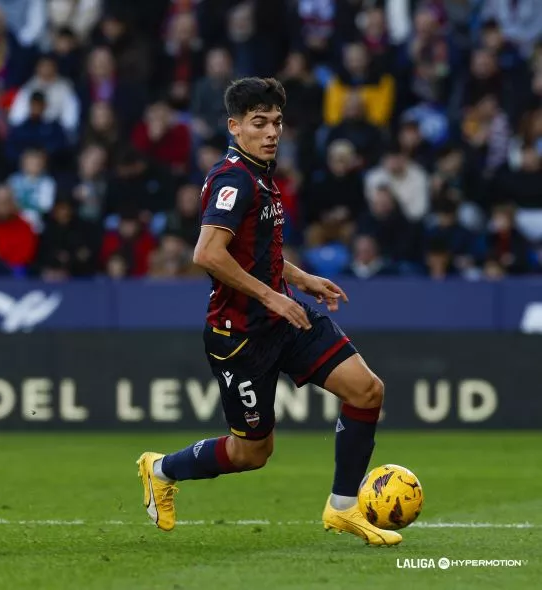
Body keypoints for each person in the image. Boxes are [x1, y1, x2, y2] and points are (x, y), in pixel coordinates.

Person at [136, 78, 400, 546]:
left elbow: (254, 250)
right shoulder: (233, 179)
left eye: (276, 122)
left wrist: (299, 281)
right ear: (235, 127)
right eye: (259, 123)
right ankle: (160, 469)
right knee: (251, 453)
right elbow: (208, 254)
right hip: (240, 337)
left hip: (285, 318)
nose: (272, 131)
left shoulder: (261, 174)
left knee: (365, 390)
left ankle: (343, 508)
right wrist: (272, 295)